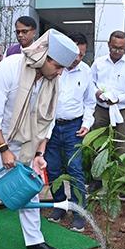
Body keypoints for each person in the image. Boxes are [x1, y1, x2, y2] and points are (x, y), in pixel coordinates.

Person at [0, 28, 77, 249]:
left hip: (26, 144)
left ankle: (34, 241)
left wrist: (39, 153)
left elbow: (47, 122)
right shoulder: (8, 69)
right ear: (45, 56)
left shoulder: (51, 81)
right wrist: (4, 149)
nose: (59, 73)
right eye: (58, 66)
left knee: (30, 189)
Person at [43, 33, 96, 231]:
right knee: (53, 168)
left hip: (74, 127)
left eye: (82, 55)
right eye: (75, 54)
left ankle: (79, 211)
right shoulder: (54, 68)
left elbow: (90, 102)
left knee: (74, 169)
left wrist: (87, 123)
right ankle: (59, 206)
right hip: (51, 127)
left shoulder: (85, 71)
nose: (77, 59)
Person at [91, 30, 125, 156]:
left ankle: (119, 174)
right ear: (108, 44)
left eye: (121, 48)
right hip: (101, 109)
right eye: (114, 47)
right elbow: (90, 83)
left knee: (121, 146)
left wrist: (119, 98)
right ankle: (97, 175)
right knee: (98, 145)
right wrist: (97, 93)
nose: (117, 51)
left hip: (122, 110)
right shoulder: (99, 63)